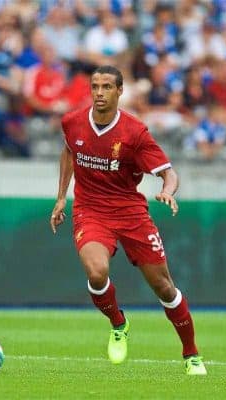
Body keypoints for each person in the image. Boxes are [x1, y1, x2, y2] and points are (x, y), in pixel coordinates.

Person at [50, 65, 207, 375]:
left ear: (120, 92)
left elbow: (168, 172)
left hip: (130, 212)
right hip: (90, 209)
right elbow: (69, 151)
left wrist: (167, 190)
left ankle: (191, 354)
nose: (99, 92)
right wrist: (60, 196)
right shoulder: (72, 122)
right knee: (96, 273)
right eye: (95, 86)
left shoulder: (135, 132)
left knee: (164, 287)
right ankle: (118, 323)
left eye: (107, 87)